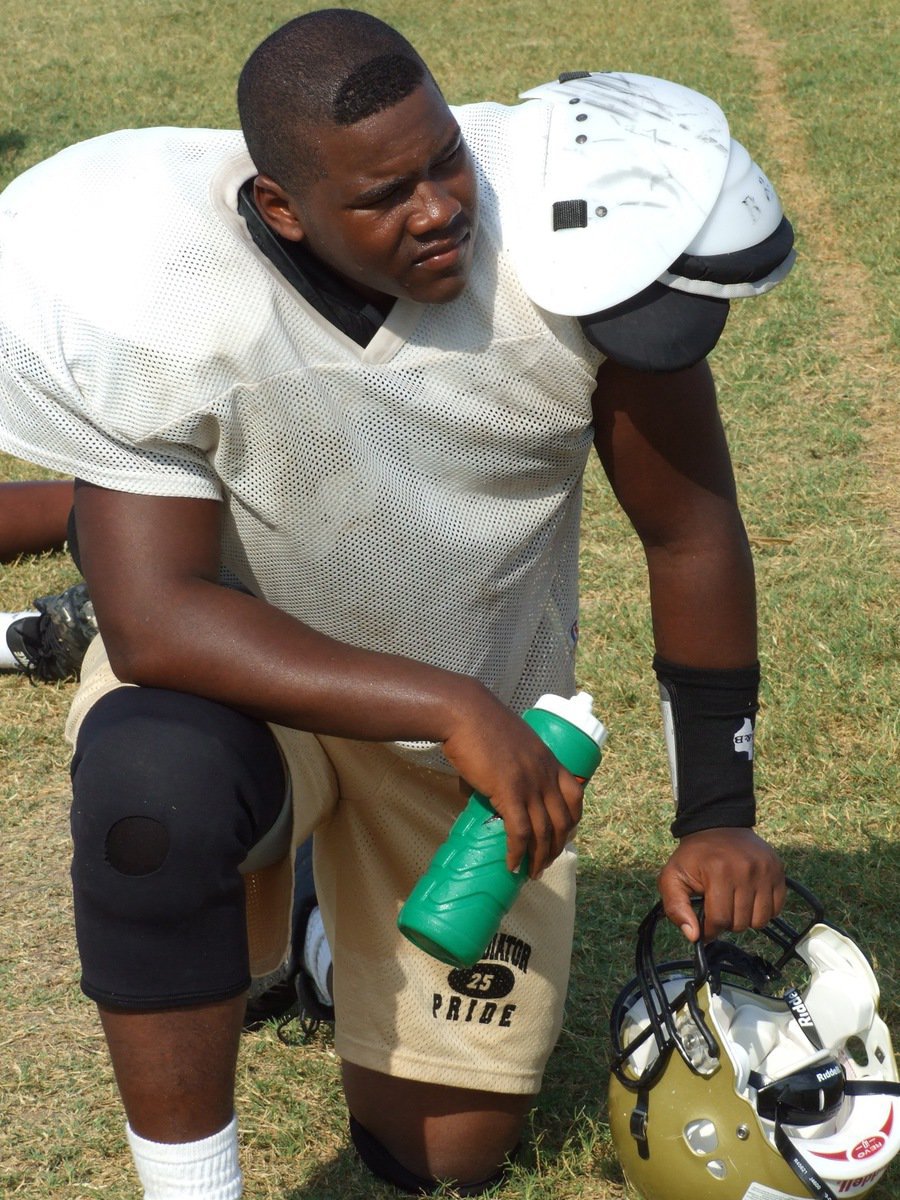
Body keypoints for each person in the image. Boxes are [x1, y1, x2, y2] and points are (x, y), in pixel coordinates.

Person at [0, 9, 792, 1197]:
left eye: (445, 160)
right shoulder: (145, 275)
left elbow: (688, 529)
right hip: (249, 688)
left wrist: (719, 812)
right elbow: (158, 616)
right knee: (149, 802)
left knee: (440, 1159)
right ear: (281, 208)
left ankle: (316, 942)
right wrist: (456, 702)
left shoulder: (563, 251)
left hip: (456, 753)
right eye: (387, 195)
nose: (441, 209)